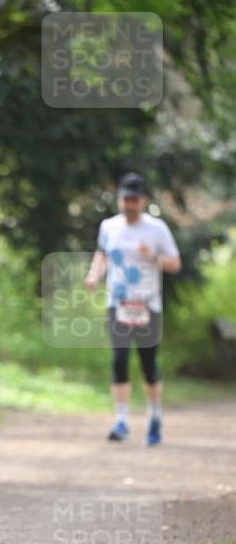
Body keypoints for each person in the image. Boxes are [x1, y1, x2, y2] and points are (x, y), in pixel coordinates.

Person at [85, 172, 181, 446]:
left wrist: (153, 256)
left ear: (143, 201)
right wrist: (94, 274)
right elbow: (102, 254)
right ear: (119, 200)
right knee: (119, 360)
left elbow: (175, 264)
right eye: (125, 199)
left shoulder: (157, 229)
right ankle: (121, 420)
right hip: (118, 304)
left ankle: (154, 416)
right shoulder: (108, 226)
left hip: (147, 305)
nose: (128, 204)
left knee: (148, 364)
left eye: (134, 200)